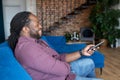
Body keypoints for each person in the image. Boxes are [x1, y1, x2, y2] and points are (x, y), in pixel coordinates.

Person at [8, 11, 102, 80]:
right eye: (37, 24)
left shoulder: (36, 41)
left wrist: (82, 52)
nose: (40, 26)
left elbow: (58, 58)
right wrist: (68, 67)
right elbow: (63, 70)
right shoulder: (28, 49)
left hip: (64, 72)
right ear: (25, 29)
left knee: (90, 62)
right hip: (62, 76)